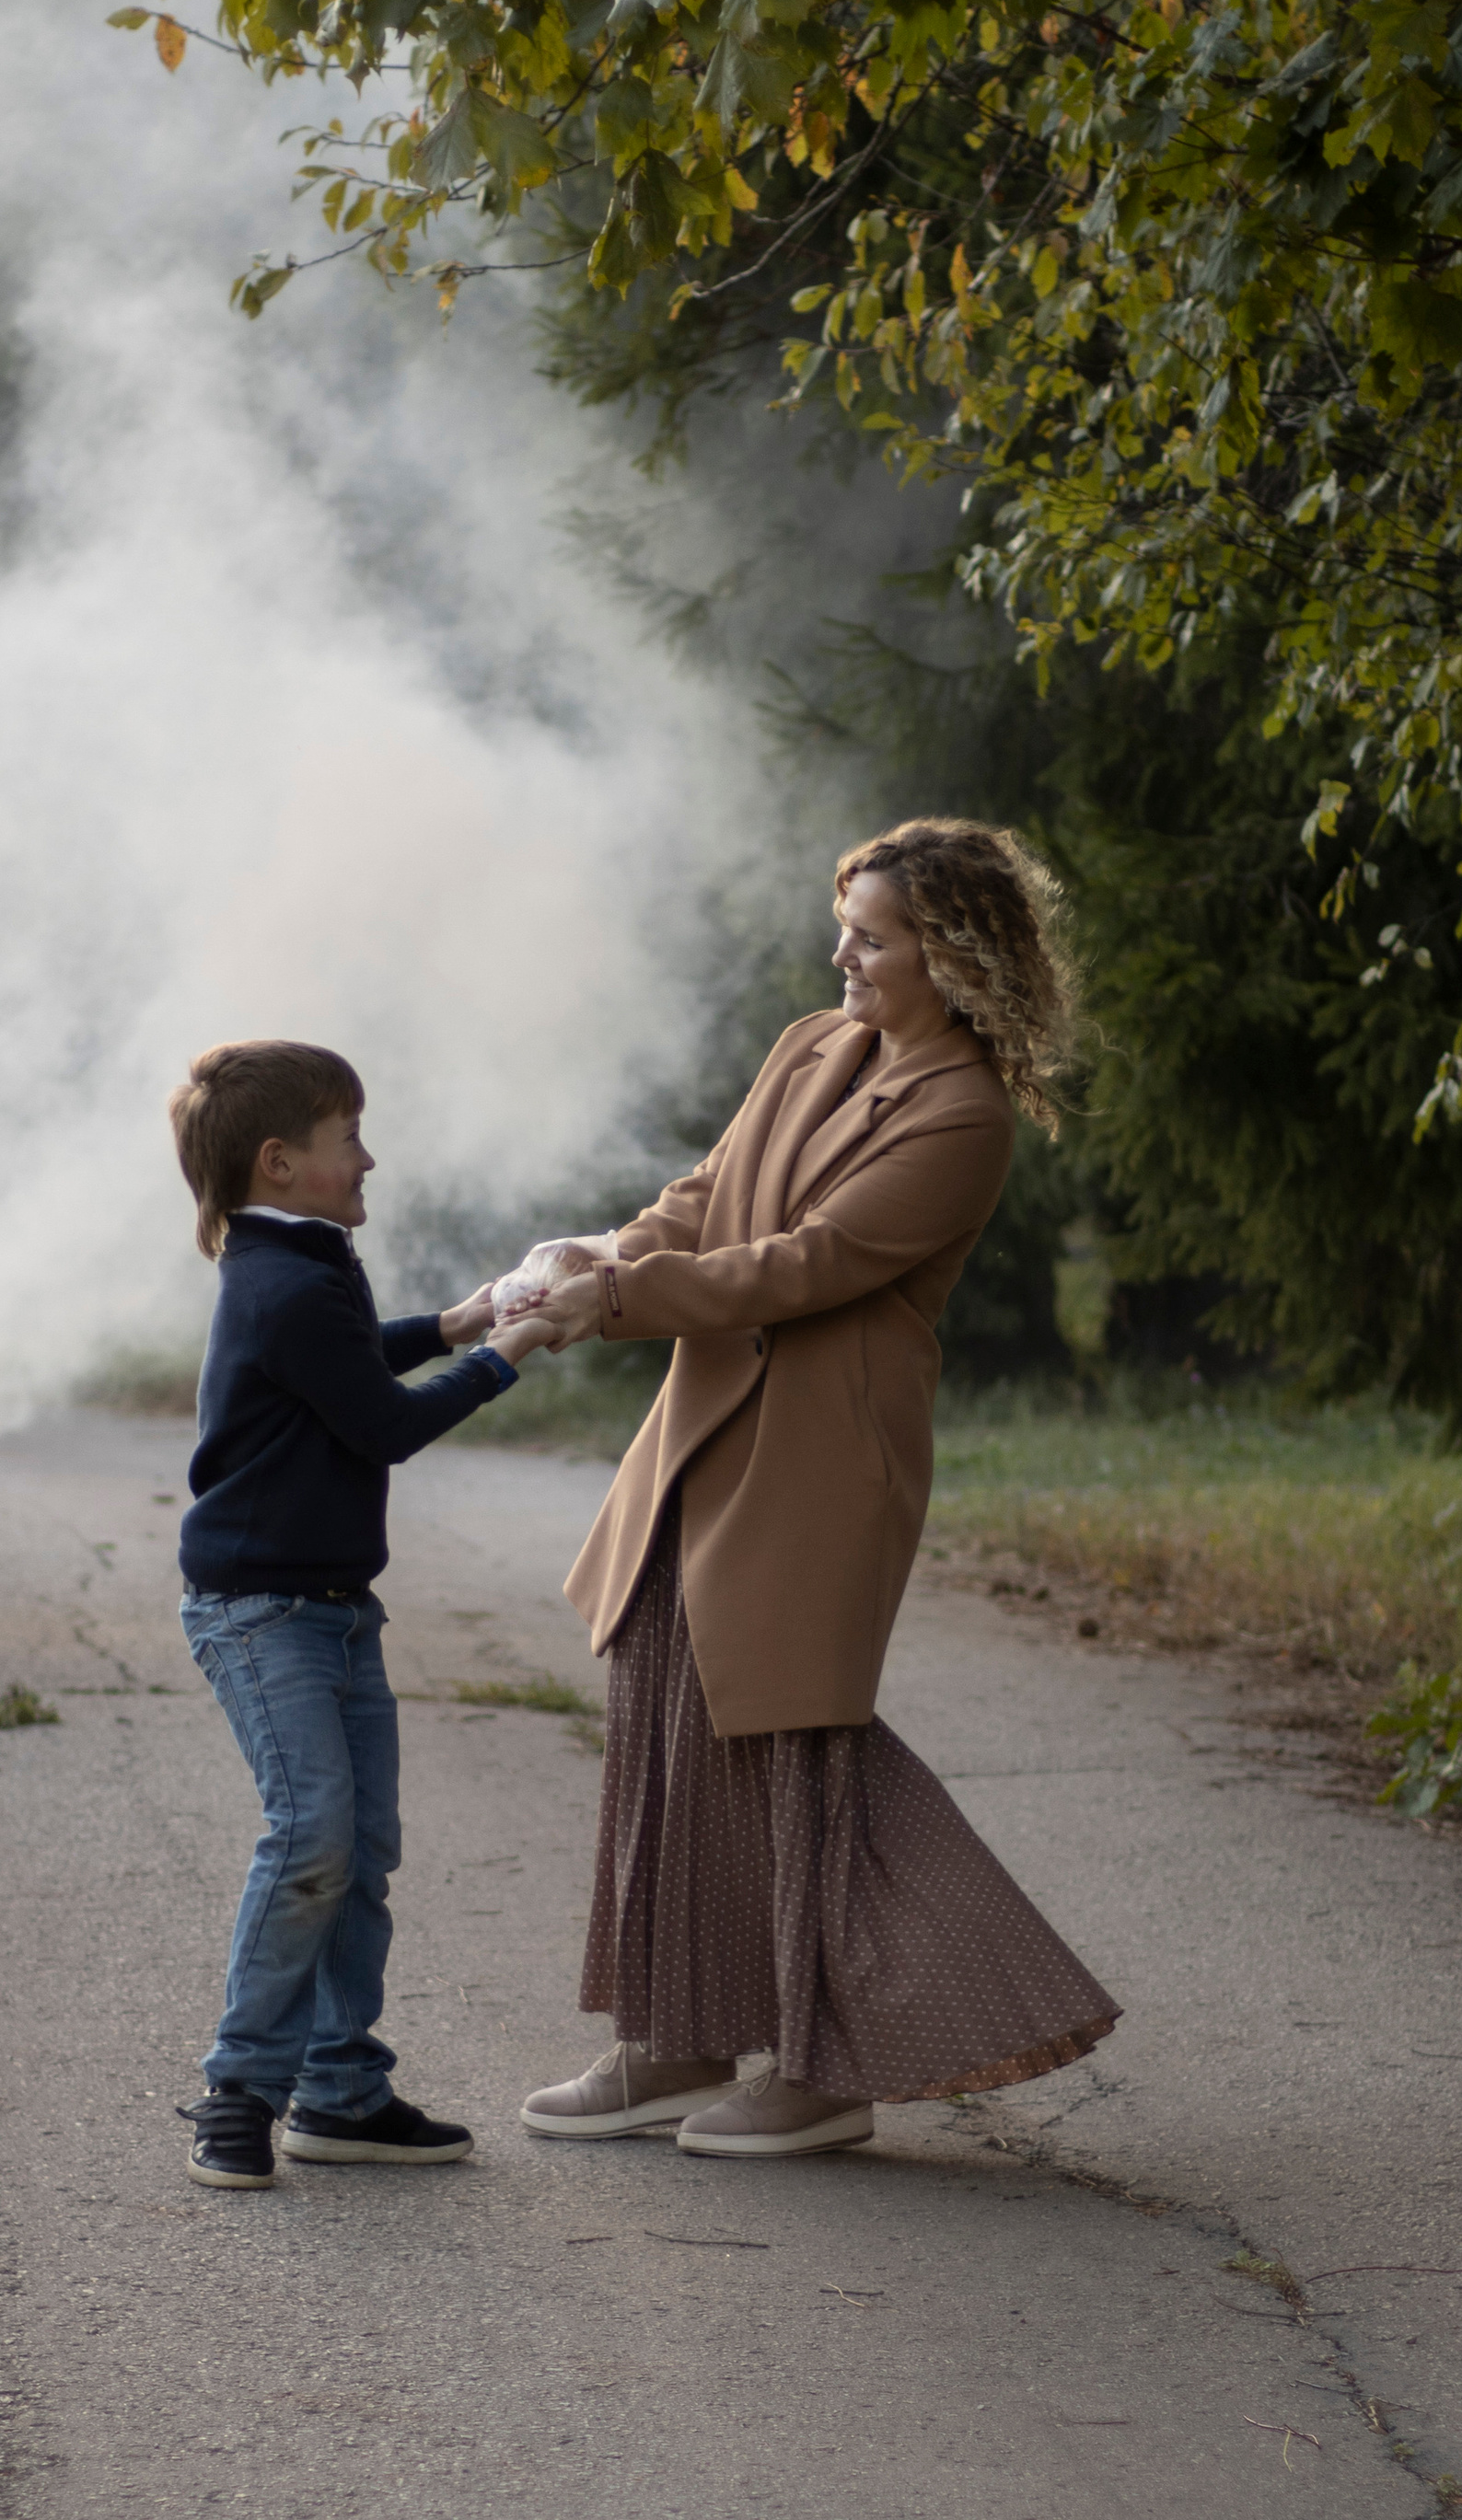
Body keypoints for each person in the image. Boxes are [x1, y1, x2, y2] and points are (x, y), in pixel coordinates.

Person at [513, 820, 1120, 2159]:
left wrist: (613, 1300)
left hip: (820, 1463)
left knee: (789, 1752)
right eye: (844, 922)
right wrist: (596, 1251)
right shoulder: (809, 1045)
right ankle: (673, 2039)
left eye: (872, 934)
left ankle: (822, 2068)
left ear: (949, 955)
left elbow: (805, 1264)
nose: (842, 951)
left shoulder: (962, 1114)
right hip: (703, 1431)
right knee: (668, 1723)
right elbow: (708, 1200)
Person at [165, 1039, 558, 2191]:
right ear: (281, 1161)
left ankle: (340, 2092)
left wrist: (452, 1320)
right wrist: (503, 1354)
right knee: (311, 1838)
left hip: (330, 1606)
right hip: (260, 1608)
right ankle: (239, 2093)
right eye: (350, 1140)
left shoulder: (303, 1256)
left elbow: (345, 1364)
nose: (369, 1157)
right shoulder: (282, 1279)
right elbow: (378, 1424)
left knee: (361, 1849)